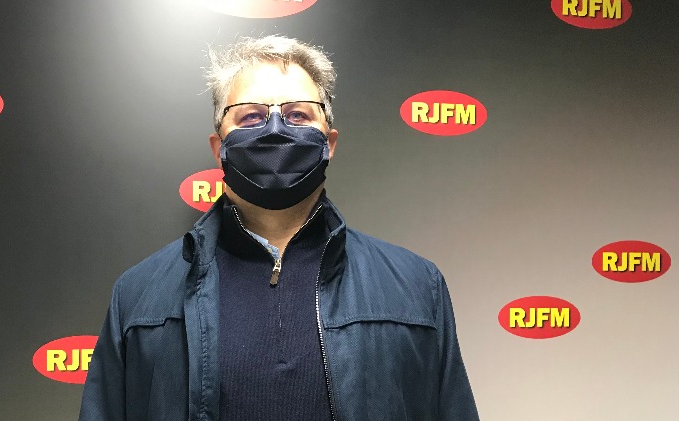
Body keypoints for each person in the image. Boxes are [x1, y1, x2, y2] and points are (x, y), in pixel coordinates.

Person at [79, 35, 479, 421]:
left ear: (329, 142)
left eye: (297, 115)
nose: (274, 130)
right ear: (219, 147)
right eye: (251, 115)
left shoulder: (416, 287)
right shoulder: (139, 298)